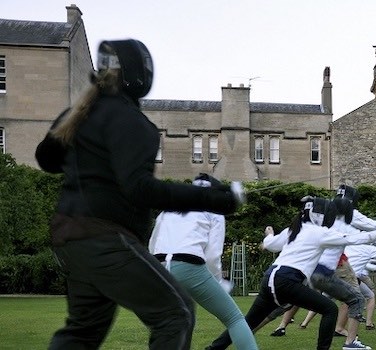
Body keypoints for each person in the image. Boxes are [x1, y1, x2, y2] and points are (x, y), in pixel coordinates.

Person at [35, 39, 245, 350]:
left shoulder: (80, 114)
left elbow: (46, 159)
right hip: (105, 239)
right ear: (139, 75)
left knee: (82, 332)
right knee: (177, 313)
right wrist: (217, 199)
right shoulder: (132, 122)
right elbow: (141, 189)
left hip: (70, 241)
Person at [205, 197, 376, 350]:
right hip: (287, 280)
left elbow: (270, 245)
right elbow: (355, 239)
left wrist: (269, 233)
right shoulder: (318, 233)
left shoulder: (293, 229)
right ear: (319, 215)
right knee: (329, 309)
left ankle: (214, 348)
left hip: (270, 278)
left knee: (247, 322)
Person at [149, 173, 257, 350]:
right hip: (187, 267)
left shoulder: (168, 209)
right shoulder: (214, 209)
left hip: (159, 268)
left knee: (179, 320)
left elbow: (153, 244)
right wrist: (219, 281)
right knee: (234, 318)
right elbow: (213, 255)